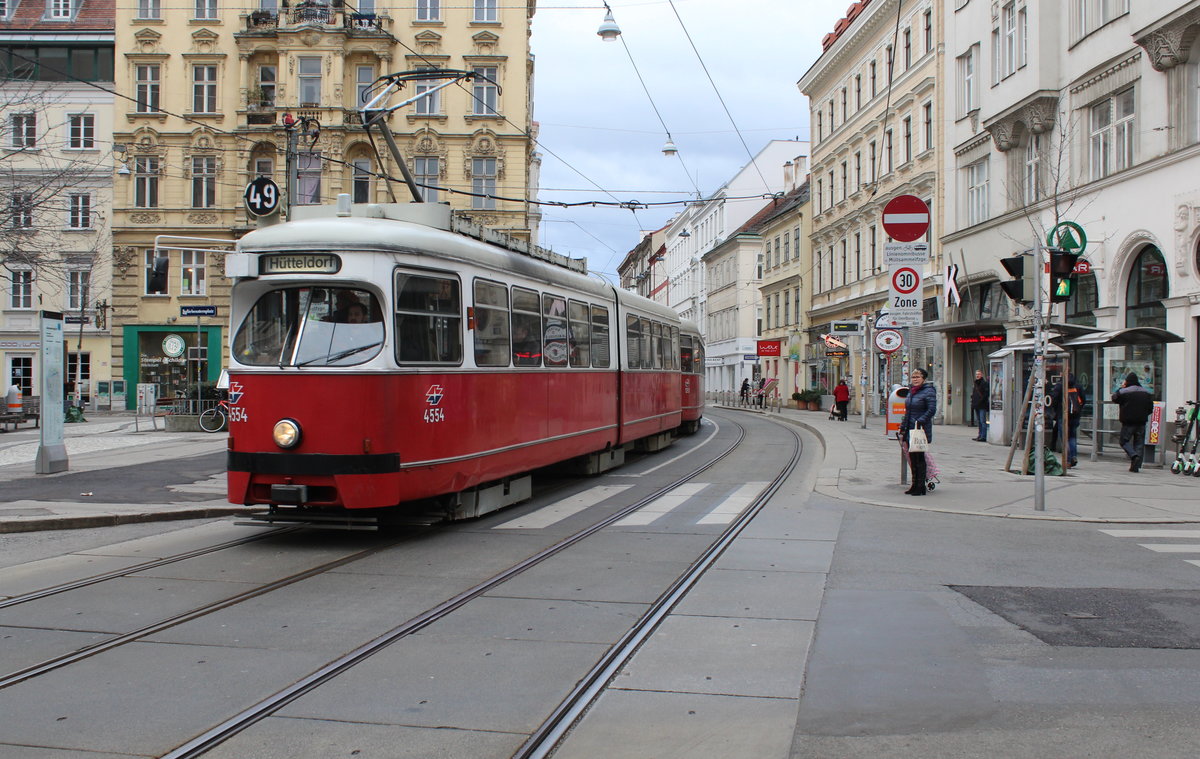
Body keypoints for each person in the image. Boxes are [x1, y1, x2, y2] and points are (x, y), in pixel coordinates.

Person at [898, 368, 937, 496]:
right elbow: (908, 412)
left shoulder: (928, 391)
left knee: (920, 458)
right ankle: (914, 484)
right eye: (913, 377)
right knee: (912, 458)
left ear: (923, 379)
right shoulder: (911, 392)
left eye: (918, 377)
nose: (915, 379)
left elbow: (931, 410)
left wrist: (920, 421)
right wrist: (903, 427)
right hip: (910, 428)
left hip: (920, 429)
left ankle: (921, 486)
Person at [1112, 371, 1154, 472]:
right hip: (1141, 422)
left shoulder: (1124, 392)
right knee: (1139, 443)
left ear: (1127, 382)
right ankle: (1136, 466)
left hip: (1128, 422)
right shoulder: (1146, 392)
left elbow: (1114, 398)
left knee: (1124, 441)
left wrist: (1121, 387)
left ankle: (1133, 455)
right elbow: (1150, 408)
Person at [1049, 373, 1086, 468]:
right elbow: (1083, 400)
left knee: (1065, 437)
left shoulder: (1060, 385)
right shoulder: (1078, 386)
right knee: (1072, 437)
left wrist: (1056, 411)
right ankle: (1073, 456)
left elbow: (1054, 400)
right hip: (1075, 415)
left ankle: (1068, 459)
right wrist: (1078, 409)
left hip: (1063, 415)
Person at [971, 369, 989, 441]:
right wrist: (973, 403)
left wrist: (980, 401)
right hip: (976, 405)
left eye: (979, 374)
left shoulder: (984, 383)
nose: (977, 375)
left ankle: (983, 436)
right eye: (976, 374)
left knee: (982, 421)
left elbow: (986, 394)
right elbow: (974, 394)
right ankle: (980, 435)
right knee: (979, 421)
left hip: (982, 405)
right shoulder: (975, 383)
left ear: (981, 375)